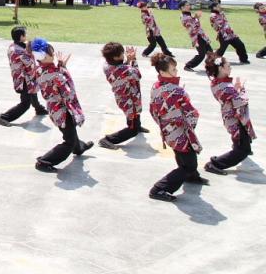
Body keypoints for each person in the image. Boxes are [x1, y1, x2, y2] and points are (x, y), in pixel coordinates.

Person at [148, 53, 208, 202]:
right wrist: (188, 127)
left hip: (167, 130)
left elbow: (153, 111)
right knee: (189, 163)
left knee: (182, 155)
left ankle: (191, 176)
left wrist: (165, 124)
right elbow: (192, 114)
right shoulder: (177, 90)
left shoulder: (156, 87)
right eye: (173, 69)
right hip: (180, 131)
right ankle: (159, 188)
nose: (176, 72)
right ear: (162, 72)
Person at [31, 38, 93, 172]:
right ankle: (44, 162)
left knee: (71, 131)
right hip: (63, 110)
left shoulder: (40, 70)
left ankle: (79, 148)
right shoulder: (55, 74)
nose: (53, 56)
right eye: (51, 54)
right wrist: (63, 68)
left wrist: (60, 66)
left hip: (54, 109)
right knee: (68, 140)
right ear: (43, 56)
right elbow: (68, 91)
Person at [203, 52, 256, 175]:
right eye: (228, 65)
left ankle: (240, 144)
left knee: (241, 137)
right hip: (235, 119)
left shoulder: (216, 82)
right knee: (243, 150)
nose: (230, 67)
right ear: (220, 68)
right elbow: (241, 102)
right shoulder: (226, 86)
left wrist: (235, 89)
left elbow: (231, 98)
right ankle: (215, 163)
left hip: (229, 116)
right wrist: (241, 89)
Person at [98, 43, 149, 150]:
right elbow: (137, 75)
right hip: (129, 98)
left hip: (123, 97)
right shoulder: (124, 69)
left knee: (135, 112)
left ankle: (137, 126)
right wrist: (133, 59)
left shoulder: (107, 65)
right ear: (116, 57)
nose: (124, 55)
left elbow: (121, 69)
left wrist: (128, 61)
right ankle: (108, 139)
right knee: (132, 127)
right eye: (122, 53)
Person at [0, 26, 48, 126]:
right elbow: (30, 64)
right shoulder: (19, 51)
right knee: (25, 103)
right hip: (23, 80)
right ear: (21, 36)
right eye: (25, 33)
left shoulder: (14, 46)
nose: (27, 35)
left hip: (26, 78)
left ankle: (39, 109)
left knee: (33, 91)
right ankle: (4, 117)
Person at [180, 1, 213, 72]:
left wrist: (196, 18)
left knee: (210, 51)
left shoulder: (189, 15)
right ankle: (188, 65)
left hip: (201, 35)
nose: (189, 6)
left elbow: (195, 23)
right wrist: (196, 18)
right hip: (197, 37)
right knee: (202, 54)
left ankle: (210, 67)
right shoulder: (184, 17)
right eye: (187, 5)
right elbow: (194, 26)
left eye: (189, 4)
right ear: (182, 7)